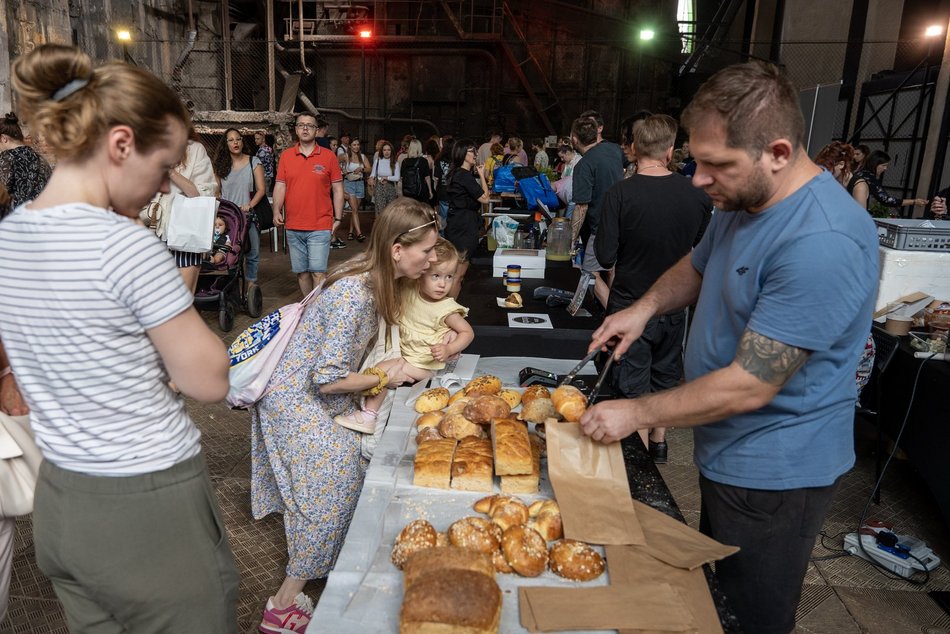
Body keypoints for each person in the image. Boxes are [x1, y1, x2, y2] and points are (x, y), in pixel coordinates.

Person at [581, 61, 879, 634]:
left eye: (716, 165)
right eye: (695, 160)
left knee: (749, 616)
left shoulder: (823, 240)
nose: (697, 179)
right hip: (728, 454)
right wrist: (641, 309)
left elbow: (750, 383)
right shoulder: (742, 202)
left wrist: (637, 412)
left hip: (777, 471)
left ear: (777, 151)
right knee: (714, 598)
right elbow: (698, 265)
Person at [0, 43, 238, 631]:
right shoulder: (124, 246)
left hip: (62, 498)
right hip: (146, 500)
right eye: (162, 168)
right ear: (121, 144)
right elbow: (207, 379)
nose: (162, 188)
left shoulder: (10, 236)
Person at [251, 199, 439, 633]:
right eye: (426, 251)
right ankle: (282, 608)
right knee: (333, 490)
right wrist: (382, 378)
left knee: (349, 474)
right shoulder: (355, 294)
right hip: (295, 400)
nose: (431, 260)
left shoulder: (374, 275)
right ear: (397, 249)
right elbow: (327, 380)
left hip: (314, 394)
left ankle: (328, 568)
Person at [595, 114, 712, 464]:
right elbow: (702, 250)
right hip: (676, 307)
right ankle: (659, 443)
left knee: (632, 388)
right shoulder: (697, 195)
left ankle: (644, 466)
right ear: (670, 149)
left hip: (631, 304)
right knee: (664, 375)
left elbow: (604, 255)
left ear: (634, 148)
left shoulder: (620, 193)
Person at [335, 238, 474, 433]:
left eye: (449, 277)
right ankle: (367, 411)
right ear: (421, 273)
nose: (443, 284)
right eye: (436, 276)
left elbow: (467, 332)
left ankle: (369, 416)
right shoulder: (410, 289)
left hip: (422, 365)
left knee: (383, 371)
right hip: (405, 355)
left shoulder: (447, 309)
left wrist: (449, 348)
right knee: (383, 370)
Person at [273, 112, 345, 295]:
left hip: (320, 224)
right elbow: (280, 186)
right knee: (302, 273)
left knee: (318, 272)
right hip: (294, 225)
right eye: (301, 125)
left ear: (316, 130)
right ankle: (307, 312)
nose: (305, 128)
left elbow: (338, 189)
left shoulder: (329, 157)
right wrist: (276, 211)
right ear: (296, 129)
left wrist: (338, 218)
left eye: (310, 125)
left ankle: (317, 313)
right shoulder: (287, 156)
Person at [570, 116, 623, 309]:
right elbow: (633, 162)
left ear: (574, 139)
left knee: (590, 274)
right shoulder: (613, 149)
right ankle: (617, 307)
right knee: (612, 268)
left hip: (600, 228)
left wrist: (571, 240)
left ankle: (615, 316)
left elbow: (581, 207)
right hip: (621, 222)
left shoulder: (584, 165)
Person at [214, 128, 267, 291]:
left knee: (253, 252)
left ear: (242, 142)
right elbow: (217, 191)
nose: (235, 142)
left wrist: (249, 205)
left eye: (238, 139)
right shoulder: (220, 166)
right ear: (226, 144)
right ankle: (231, 284)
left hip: (248, 215)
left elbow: (261, 189)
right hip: (228, 218)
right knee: (229, 251)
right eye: (231, 140)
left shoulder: (254, 162)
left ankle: (251, 285)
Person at [444, 139, 490, 298]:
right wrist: (482, 176)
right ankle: (449, 312)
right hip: (464, 226)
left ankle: (447, 311)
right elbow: (485, 198)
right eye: (472, 151)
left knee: (455, 273)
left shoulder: (458, 174)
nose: (475, 154)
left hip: (458, 222)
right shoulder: (464, 176)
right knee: (458, 275)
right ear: (463, 154)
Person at [0, 112, 52, 218]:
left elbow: (1, 196)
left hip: (16, 225)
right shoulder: (41, 159)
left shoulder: (6, 158)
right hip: (42, 222)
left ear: (3, 139)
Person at [846, 150, 927, 214]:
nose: (885, 169)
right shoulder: (870, 178)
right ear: (875, 164)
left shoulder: (860, 173)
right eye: (883, 165)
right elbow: (886, 200)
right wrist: (914, 201)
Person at [340, 137, 371, 242]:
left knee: (355, 211)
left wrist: (362, 169)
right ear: (350, 146)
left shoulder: (362, 156)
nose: (356, 146)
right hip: (349, 184)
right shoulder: (345, 156)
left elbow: (369, 168)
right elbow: (334, 164)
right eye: (354, 145)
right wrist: (342, 170)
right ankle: (359, 233)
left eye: (358, 144)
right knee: (354, 210)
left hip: (360, 184)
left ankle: (350, 231)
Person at [399, 138, 434, 203]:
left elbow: (401, 178)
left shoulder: (405, 161)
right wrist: (430, 191)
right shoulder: (423, 161)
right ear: (419, 148)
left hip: (407, 191)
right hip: (420, 191)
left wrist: (401, 192)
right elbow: (427, 177)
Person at [370, 140, 400, 214]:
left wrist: (386, 177)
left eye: (388, 150)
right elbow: (372, 174)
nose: (386, 152)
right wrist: (371, 179)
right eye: (384, 150)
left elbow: (397, 177)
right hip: (379, 188)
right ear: (382, 151)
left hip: (391, 188)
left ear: (391, 151)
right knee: (380, 212)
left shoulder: (395, 162)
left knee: (390, 212)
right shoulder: (378, 161)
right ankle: (379, 225)